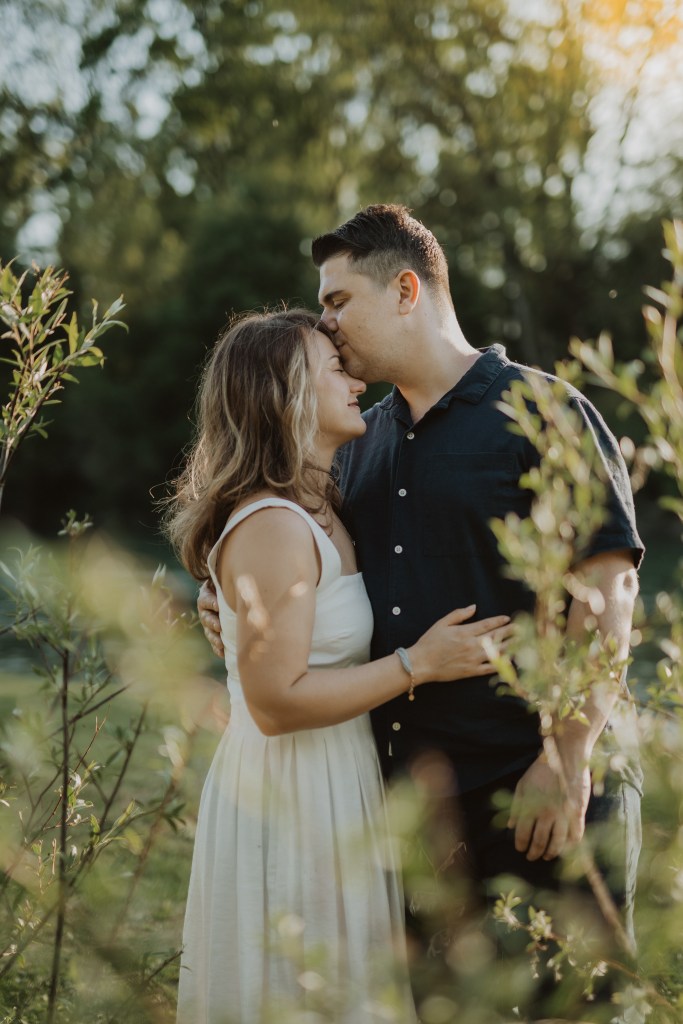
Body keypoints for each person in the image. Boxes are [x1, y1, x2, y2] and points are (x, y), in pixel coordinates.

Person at [199, 206, 645, 1018]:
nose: (326, 326)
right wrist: (226, 602)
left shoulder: (541, 412)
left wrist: (566, 753)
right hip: (411, 826)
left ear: (405, 289)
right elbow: (302, 564)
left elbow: (608, 590)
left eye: (337, 303)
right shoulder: (355, 445)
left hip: (539, 799)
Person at [165, 307, 513, 1024]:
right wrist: (418, 663)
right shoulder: (272, 523)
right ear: (283, 392)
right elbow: (273, 702)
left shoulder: (322, 507)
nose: (356, 383)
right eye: (335, 371)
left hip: (336, 776)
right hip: (287, 789)